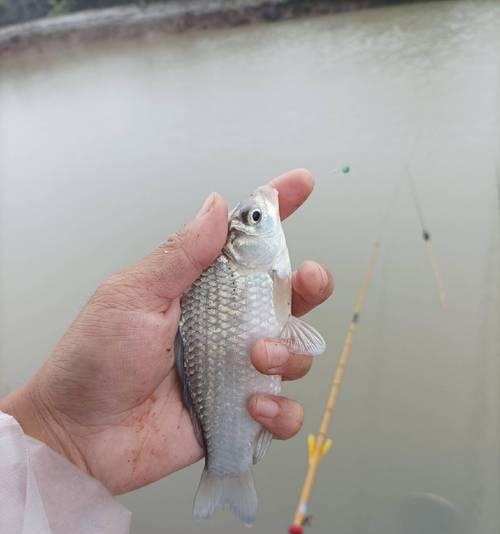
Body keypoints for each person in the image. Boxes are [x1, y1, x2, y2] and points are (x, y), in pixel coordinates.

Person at [0, 169, 333, 533]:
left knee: (275, 367)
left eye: (254, 219)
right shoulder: (250, 268)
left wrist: (55, 433)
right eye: (255, 218)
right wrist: (56, 434)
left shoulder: (253, 269)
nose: (261, 215)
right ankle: (228, 470)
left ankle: (229, 465)